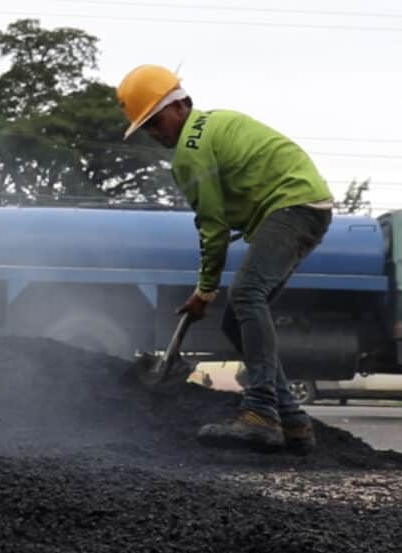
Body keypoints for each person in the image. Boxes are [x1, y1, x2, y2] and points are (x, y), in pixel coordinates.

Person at [116, 64, 332, 454]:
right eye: (145, 126)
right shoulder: (212, 125)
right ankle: (294, 421)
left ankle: (261, 413)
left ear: (179, 106)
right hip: (302, 206)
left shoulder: (190, 153)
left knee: (246, 295)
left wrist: (204, 290)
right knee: (238, 320)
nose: (153, 132)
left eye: (155, 120)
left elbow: (212, 228)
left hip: (293, 205)